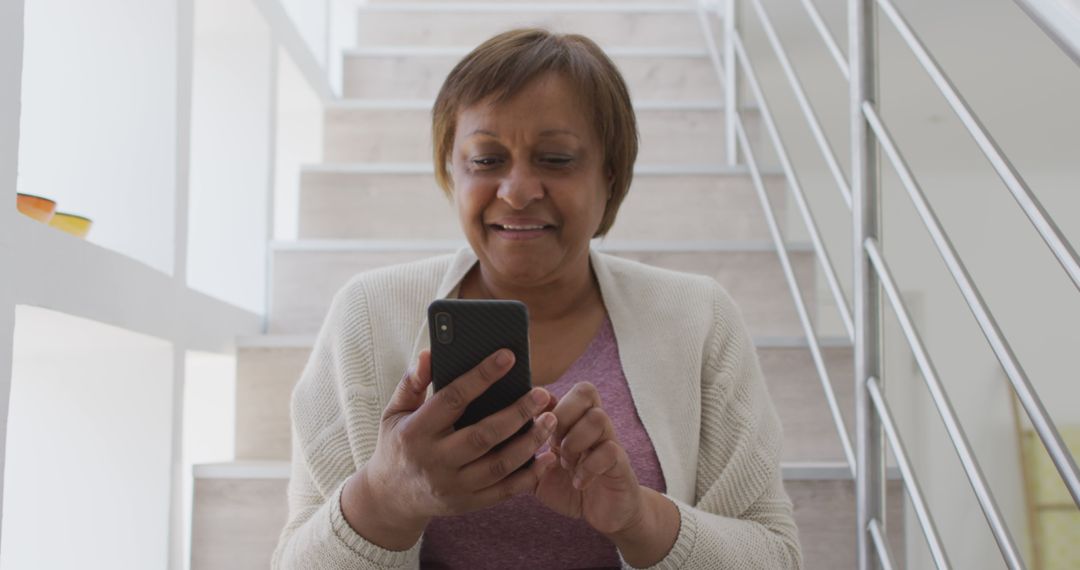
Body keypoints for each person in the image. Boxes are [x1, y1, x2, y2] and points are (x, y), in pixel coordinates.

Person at [271, 28, 801, 569]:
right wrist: (385, 498)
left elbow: (776, 555)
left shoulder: (697, 318)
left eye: (556, 158)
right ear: (451, 172)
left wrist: (640, 520)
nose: (518, 191)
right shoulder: (367, 315)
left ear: (610, 175)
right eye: (485, 160)